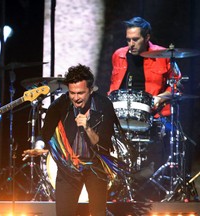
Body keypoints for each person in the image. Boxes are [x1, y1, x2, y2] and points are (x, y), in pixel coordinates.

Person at [22, 64, 124, 216]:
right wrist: (39, 146)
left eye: (81, 93)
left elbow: (103, 144)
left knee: (98, 212)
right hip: (68, 167)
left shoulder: (104, 105)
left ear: (91, 90)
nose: (76, 98)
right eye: (72, 93)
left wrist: (88, 127)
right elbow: (44, 133)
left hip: (96, 166)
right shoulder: (61, 104)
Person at [108, 17, 181, 200]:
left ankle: (154, 189)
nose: (130, 44)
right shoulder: (119, 55)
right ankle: (113, 185)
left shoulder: (163, 55)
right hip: (122, 114)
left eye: (135, 39)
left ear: (147, 37)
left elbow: (177, 85)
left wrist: (161, 98)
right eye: (128, 40)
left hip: (154, 115)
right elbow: (113, 87)